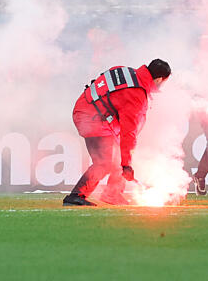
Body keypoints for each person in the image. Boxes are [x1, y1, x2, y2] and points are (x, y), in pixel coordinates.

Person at [63, 59, 172, 206]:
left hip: (87, 110)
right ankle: (76, 196)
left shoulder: (128, 73)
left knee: (116, 157)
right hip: (93, 118)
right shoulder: (136, 94)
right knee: (105, 162)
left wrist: (124, 162)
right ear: (159, 79)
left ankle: (112, 194)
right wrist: (127, 165)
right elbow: (128, 132)